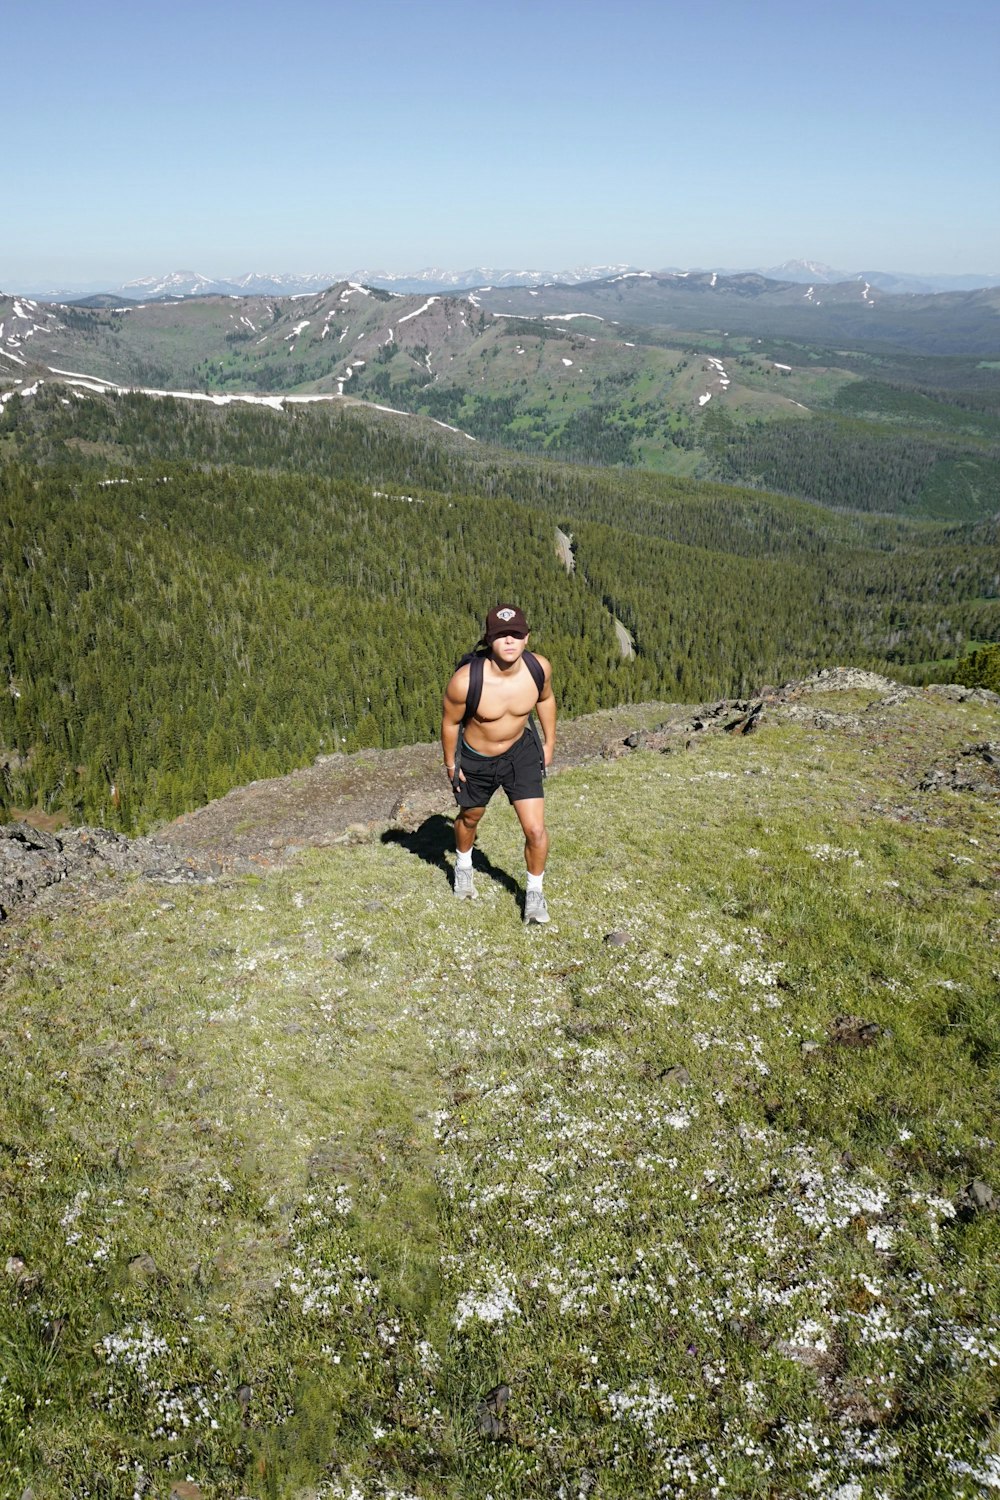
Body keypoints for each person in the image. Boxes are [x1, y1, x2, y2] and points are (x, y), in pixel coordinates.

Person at [441, 604, 556, 924]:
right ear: (489, 640)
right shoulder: (465, 681)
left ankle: (534, 893)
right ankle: (464, 866)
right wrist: (452, 764)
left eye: (516, 634)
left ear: (527, 637)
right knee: (470, 817)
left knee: (535, 829)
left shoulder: (538, 669)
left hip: (521, 754)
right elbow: (450, 723)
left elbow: (546, 699)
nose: (509, 641)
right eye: (501, 635)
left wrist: (549, 743)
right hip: (476, 759)